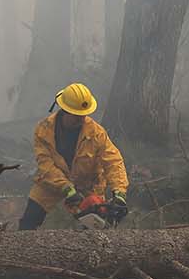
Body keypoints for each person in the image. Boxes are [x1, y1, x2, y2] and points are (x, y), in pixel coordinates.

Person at [18, 82, 128, 230]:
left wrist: (119, 193)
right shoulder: (44, 130)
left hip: (88, 183)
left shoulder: (96, 133)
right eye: (77, 116)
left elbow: (114, 161)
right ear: (65, 111)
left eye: (84, 115)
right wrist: (67, 189)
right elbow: (45, 165)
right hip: (53, 180)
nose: (81, 119)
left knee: (96, 225)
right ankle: (24, 246)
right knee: (30, 218)